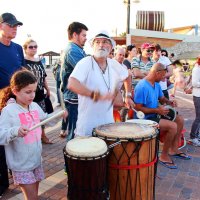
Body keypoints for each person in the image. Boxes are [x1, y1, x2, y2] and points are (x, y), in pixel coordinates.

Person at [0, 70, 67, 199]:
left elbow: (45, 120)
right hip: (21, 165)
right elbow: (1, 135)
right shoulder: (9, 111)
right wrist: (15, 131)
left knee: (33, 196)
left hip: (36, 161)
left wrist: (59, 115)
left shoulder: (34, 106)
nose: (32, 95)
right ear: (15, 91)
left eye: (34, 91)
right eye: (28, 92)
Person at [68, 30, 134, 137]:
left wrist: (128, 95)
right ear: (93, 46)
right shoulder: (85, 63)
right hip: (87, 127)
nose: (101, 45)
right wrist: (94, 95)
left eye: (105, 42)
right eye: (97, 42)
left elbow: (127, 76)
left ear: (111, 47)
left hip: (108, 125)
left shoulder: (114, 64)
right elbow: (72, 83)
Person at [134, 63, 191, 169]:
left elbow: (161, 99)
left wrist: (169, 102)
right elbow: (138, 108)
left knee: (180, 120)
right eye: (163, 76)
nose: (164, 79)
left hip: (155, 113)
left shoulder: (156, 85)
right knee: (172, 126)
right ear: (157, 73)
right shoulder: (141, 86)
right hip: (144, 118)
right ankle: (163, 156)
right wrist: (157, 110)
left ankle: (173, 150)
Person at [0, 12, 24, 197]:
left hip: (15, 101)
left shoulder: (17, 48)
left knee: (16, 138)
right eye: (11, 25)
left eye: (16, 25)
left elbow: (20, 70)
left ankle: (14, 175)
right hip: (0, 102)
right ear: (1, 26)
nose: (15, 28)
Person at [60, 21, 88, 140]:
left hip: (76, 95)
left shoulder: (77, 49)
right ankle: (71, 157)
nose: (86, 38)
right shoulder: (72, 50)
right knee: (74, 130)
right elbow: (86, 71)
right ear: (75, 35)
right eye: (84, 35)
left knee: (77, 128)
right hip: (73, 96)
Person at [23, 38, 52, 144]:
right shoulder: (23, 61)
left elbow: (43, 76)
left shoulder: (39, 61)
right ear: (25, 49)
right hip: (28, 93)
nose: (33, 49)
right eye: (31, 47)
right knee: (29, 116)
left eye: (35, 46)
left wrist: (47, 89)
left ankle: (43, 135)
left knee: (41, 115)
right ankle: (32, 137)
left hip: (39, 93)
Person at [189, 56, 200, 146]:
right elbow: (195, 83)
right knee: (198, 117)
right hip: (198, 95)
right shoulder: (197, 68)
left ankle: (196, 135)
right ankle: (193, 137)